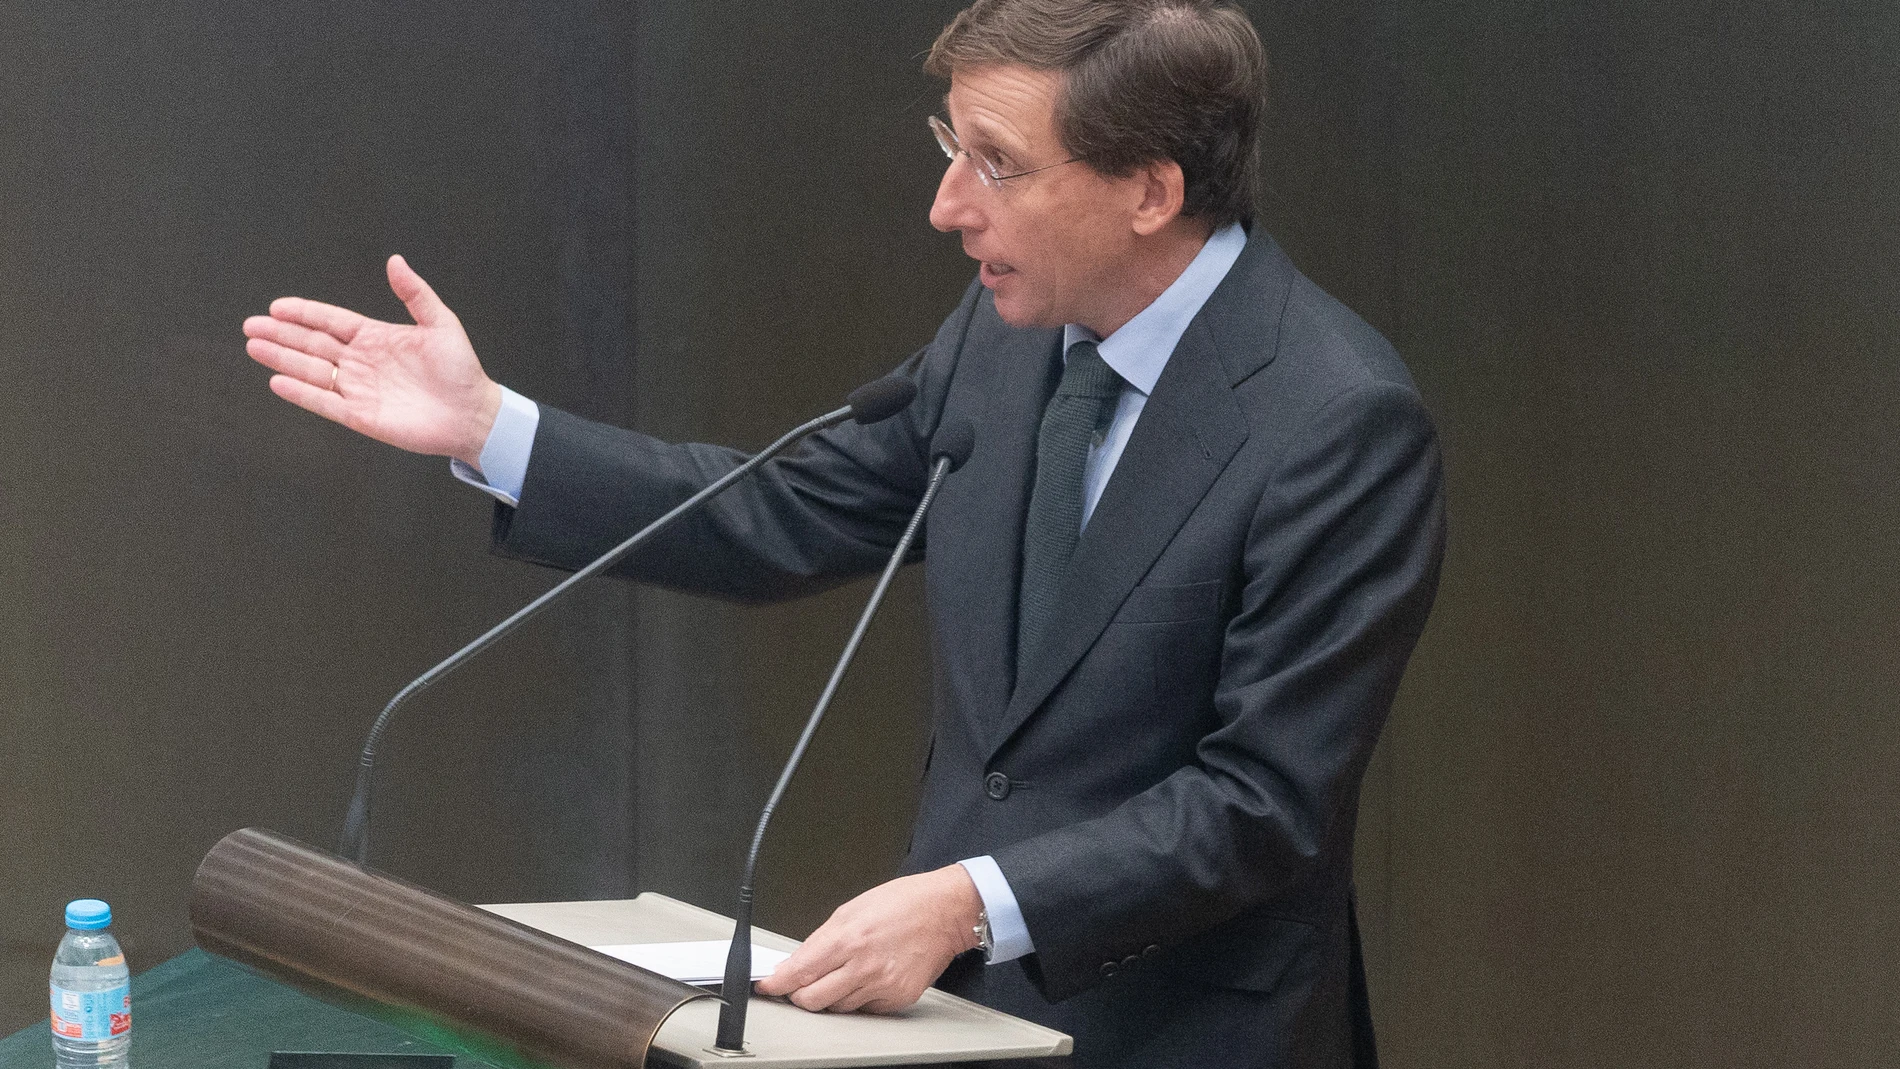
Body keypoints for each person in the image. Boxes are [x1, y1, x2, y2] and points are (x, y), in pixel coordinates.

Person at [242, 1, 1445, 1064]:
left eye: (997, 164)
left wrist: (970, 902)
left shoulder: (1334, 422)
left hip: (1190, 1032)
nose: (946, 206)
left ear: (1151, 190)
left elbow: (1261, 801)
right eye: (949, 147)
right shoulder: (1004, 335)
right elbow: (781, 509)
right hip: (950, 1022)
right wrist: (492, 427)